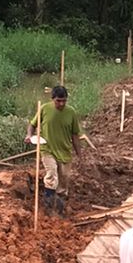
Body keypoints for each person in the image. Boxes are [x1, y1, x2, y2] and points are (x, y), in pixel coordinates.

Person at [37, 85, 84, 215]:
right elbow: (32, 124)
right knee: (52, 173)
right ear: (53, 99)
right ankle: (48, 201)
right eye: (58, 100)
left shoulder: (71, 112)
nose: (61, 103)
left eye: (64, 100)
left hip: (64, 151)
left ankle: (60, 201)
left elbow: (75, 135)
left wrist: (79, 155)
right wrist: (29, 135)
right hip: (48, 149)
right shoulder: (44, 109)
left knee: (64, 177)